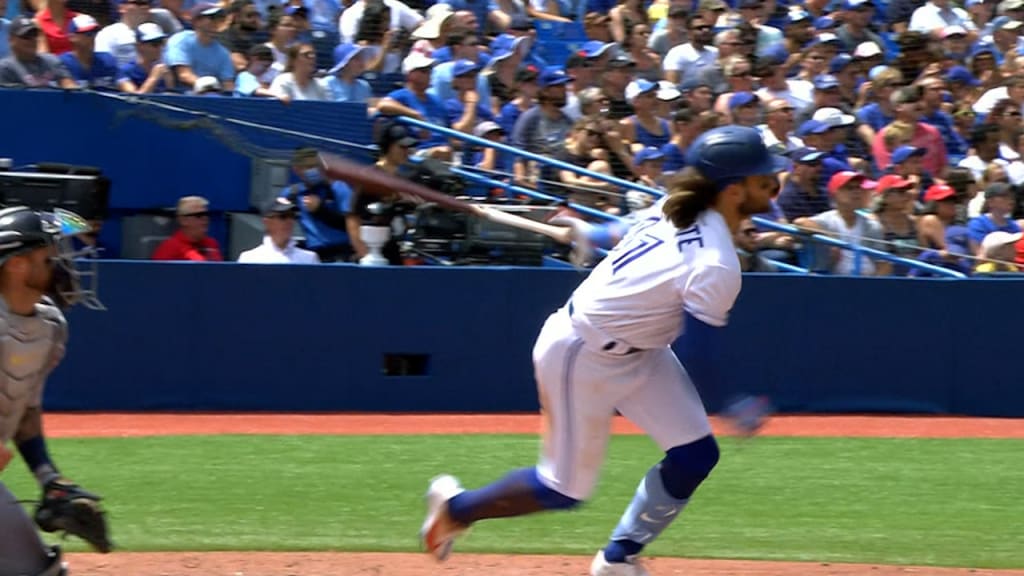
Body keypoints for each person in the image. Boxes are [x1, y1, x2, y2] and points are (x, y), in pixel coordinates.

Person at [420, 125, 784, 576]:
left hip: (640, 351)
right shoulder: (715, 262)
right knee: (562, 490)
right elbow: (699, 355)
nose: (775, 187)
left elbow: (629, 231)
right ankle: (456, 508)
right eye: (765, 180)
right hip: (582, 353)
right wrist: (734, 405)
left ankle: (618, 559)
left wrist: (593, 232)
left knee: (695, 456)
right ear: (733, 190)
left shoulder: (681, 206)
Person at [0, 207, 111, 576]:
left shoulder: (49, 327)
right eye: (48, 255)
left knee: (39, 571)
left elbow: (25, 413)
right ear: (16, 264)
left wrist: (49, 479)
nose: (60, 263)